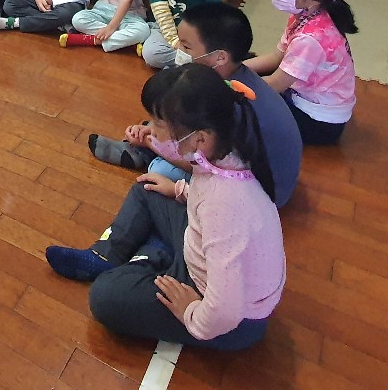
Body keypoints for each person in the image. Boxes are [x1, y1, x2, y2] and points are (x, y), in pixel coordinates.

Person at [47, 64, 285, 350]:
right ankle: (107, 255)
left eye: (159, 124)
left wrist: (190, 312)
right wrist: (178, 191)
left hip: (229, 320)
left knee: (104, 296)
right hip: (203, 256)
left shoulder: (224, 205)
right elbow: (207, 200)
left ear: (200, 138)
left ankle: (149, 259)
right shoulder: (228, 150)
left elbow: (226, 312)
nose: (152, 129)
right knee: (147, 189)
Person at [89, 3, 303, 207]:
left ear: (220, 57)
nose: (178, 49)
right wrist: (155, 130)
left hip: (262, 194)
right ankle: (143, 148)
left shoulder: (226, 104)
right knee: (168, 122)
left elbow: (211, 167)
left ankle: (144, 152)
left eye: (186, 46)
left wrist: (153, 144)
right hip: (257, 170)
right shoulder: (233, 77)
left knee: (160, 170)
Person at [244, 0, 357, 145]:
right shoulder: (305, 13)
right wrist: (236, 67)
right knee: (245, 62)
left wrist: (230, 81)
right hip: (303, 94)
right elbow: (276, 57)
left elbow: (275, 85)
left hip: (318, 122)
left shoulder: (310, 39)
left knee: (241, 112)